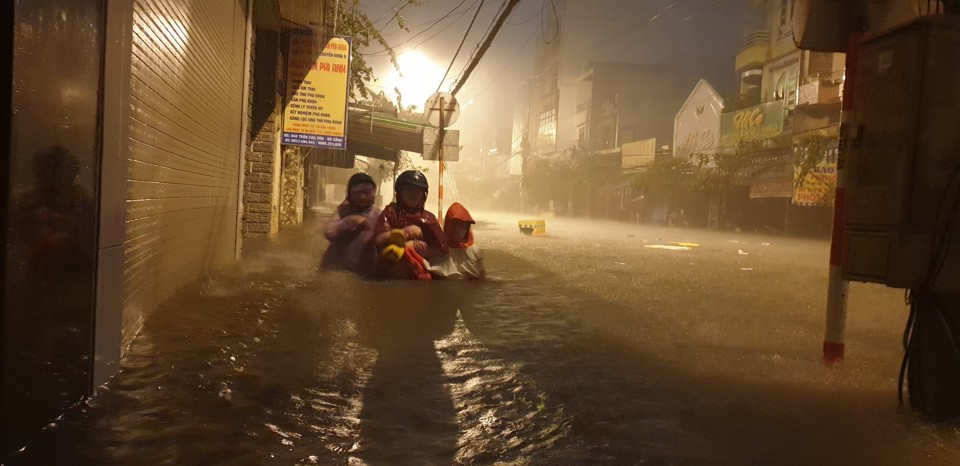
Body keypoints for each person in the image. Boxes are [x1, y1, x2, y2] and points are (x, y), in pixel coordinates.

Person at [375, 170, 448, 280]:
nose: (413, 193)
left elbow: (442, 249)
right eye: (409, 189)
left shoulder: (429, 218)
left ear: (423, 195)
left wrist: (416, 244)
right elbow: (379, 240)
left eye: (418, 190)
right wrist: (405, 233)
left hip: (421, 275)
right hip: (391, 274)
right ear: (399, 192)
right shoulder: (390, 213)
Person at [320, 172, 381, 277]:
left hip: (363, 274)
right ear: (349, 194)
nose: (362, 197)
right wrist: (351, 220)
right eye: (357, 193)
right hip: (335, 271)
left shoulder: (377, 214)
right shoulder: (342, 211)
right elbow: (329, 232)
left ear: (374, 195)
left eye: (367, 193)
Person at [427, 202, 485, 280]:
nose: (461, 229)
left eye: (464, 225)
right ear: (450, 225)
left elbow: (482, 277)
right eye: (457, 225)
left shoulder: (475, 251)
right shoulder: (440, 249)